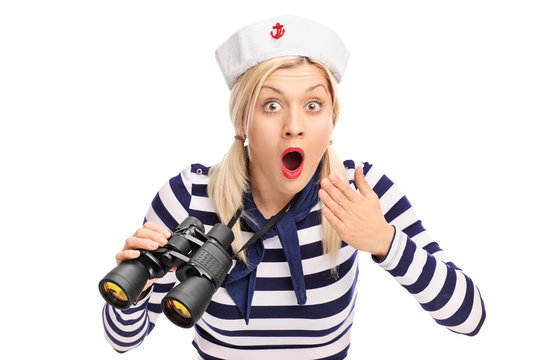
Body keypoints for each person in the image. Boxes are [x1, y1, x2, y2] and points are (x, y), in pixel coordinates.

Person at [101, 15, 486, 360]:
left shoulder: (362, 193)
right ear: (242, 123)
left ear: (332, 120)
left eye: (314, 105)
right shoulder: (189, 196)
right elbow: (122, 341)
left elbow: (470, 317)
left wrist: (385, 241)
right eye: (271, 105)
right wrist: (139, 286)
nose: (294, 126)